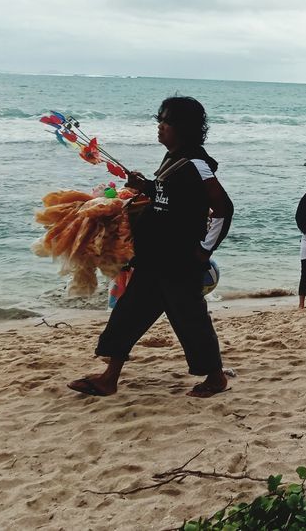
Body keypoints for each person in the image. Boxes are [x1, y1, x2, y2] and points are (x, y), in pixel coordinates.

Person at [68, 96, 233, 398]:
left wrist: (204, 250)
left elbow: (224, 208)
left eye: (165, 121)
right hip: (154, 259)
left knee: (191, 322)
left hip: (180, 262)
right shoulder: (173, 159)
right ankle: (109, 378)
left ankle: (216, 378)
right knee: (127, 315)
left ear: (182, 127)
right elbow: (170, 196)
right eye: (159, 119)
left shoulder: (196, 164)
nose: (159, 126)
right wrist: (145, 186)